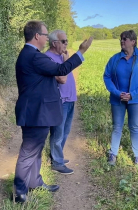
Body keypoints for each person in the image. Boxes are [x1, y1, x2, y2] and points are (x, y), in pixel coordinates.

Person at [13, 20, 93, 203]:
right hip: (35, 113)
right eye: (45, 34)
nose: (47, 38)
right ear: (37, 36)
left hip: (36, 112)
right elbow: (61, 69)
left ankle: (35, 182)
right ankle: (19, 192)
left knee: (35, 151)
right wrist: (81, 51)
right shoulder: (35, 56)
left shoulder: (29, 55)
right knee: (28, 152)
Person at [103, 30, 138, 166]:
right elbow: (107, 76)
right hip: (117, 98)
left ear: (133, 41)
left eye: (125, 39)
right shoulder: (114, 59)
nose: (122, 41)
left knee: (134, 127)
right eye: (121, 39)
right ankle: (113, 154)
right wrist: (116, 92)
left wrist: (133, 94)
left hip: (136, 100)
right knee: (117, 126)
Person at [45, 30, 76, 175]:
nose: (66, 44)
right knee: (58, 132)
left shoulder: (61, 56)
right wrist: (66, 62)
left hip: (70, 99)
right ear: (54, 43)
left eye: (66, 41)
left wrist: (66, 60)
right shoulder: (48, 58)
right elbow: (62, 79)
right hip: (60, 101)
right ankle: (56, 162)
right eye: (63, 41)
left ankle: (58, 157)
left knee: (66, 131)